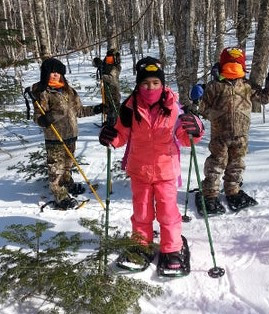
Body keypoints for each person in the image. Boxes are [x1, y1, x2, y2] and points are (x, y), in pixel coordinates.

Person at [99, 56, 204, 276]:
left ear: (163, 84)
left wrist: (196, 128)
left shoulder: (173, 107)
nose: (150, 87)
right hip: (140, 171)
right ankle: (141, 245)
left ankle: (172, 249)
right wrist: (110, 136)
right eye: (146, 83)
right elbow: (121, 135)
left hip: (166, 171)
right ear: (139, 85)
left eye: (155, 83)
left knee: (167, 212)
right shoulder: (130, 107)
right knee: (142, 212)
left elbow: (187, 138)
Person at [195, 47, 269, 214]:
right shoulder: (215, 86)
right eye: (230, 64)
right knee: (216, 164)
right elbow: (202, 108)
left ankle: (232, 191)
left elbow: (265, 98)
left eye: (236, 65)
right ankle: (210, 195)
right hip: (220, 136)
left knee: (237, 165)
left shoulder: (247, 86)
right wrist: (199, 98)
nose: (233, 68)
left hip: (241, 136)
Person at [31, 57, 103, 210]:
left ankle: (67, 183)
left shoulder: (68, 91)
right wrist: (48, 118)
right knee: (56, 169)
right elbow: (38, 117)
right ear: (45, 74)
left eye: (58, 72)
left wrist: (97, 109)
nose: (55, 75)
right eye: (51, 72)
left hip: (71, 136)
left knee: (68, 165)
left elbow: (80, 111)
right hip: (55, 138)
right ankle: (60, 195)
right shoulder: (43, 92)